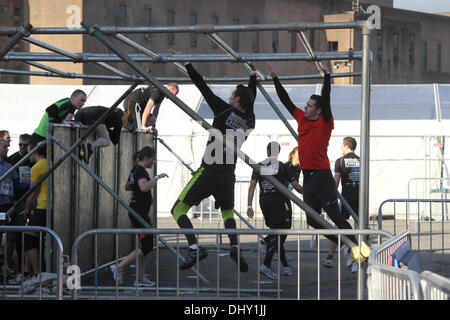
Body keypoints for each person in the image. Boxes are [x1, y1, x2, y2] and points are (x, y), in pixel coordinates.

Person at [266, 62, 370, 262]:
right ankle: (349, 246)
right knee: (312, 220)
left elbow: (327, 98)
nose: (305, 106)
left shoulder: (325, 123)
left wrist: (327, 77)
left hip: (323, 176)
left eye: (310, 105)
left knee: (336, 217)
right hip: (309, 177)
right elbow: (285, 100)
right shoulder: (302, 119)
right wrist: (274, 77)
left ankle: (358, 249)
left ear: (319, 110)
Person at [169, 51, 257, 272]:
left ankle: (195, 247)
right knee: (227, 212)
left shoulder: (223, 109)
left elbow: (202, 86)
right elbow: (251, 99)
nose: (229, 96)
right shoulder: (249, 119)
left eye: (232, 94)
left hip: (209, 170)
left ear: (237, 99)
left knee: (178, 209)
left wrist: (187, 63)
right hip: (228, 174)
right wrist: (253, 75)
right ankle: (235, 246)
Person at [110, 146, 168, 287]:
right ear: (146, 158)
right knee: (147, 246)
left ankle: (140, 279)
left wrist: (136, 184)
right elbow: (144, 187)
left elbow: (127, 186)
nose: (153, 163)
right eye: (152, 160)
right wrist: (156, 177)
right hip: (139, 213)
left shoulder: (135, 169)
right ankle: (119, 267)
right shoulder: (140, 170)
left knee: (146, 247)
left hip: (138, 211)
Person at [247, 142, 303, 280]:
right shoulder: (282, 167)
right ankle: (266, 264)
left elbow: (252, 187)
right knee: (281, 232)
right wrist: (311, 194)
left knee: (276, 233)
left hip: (264, 203)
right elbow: (297, 187)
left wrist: (249, 206)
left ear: (267, 152)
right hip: (278, 203)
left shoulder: (258, 166)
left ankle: (285, 266)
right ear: (278, 152)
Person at [323, 137, 361, 272]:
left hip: (346, 198)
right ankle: (358, 257)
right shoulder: (360, 160)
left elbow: (336, 180)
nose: (340, 148)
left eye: (341, 146)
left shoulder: (340, 161)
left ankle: (330, 256)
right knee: (359, 228)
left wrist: (330, 194)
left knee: (338, 224)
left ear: (346, 146)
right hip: (359, 197)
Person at [6, 134, 33, 282]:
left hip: (31, 199)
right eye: (20, 145)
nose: (22, 148)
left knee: (30, 235)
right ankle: (13, 266)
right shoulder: (13, 159)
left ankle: (27, 268)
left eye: (25, 145)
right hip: (16, 201)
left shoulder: (33, 159)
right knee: (14, 236)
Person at [20, 142, 48, 280]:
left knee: (28, 239)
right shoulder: (51, 163)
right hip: (53, 208)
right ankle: (27, 271)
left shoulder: (37, 167)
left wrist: (27, 209)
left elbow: (32, 193)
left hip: (43, 207)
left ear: (35, 151)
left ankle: (37, 275)